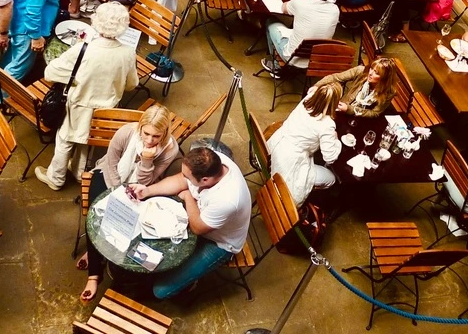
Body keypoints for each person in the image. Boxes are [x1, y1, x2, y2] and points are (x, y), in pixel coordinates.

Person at [76, 105, 180, 302]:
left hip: (140, 185)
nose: (149, 140)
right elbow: (110, 164)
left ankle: (98, 251)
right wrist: (117, 192)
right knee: (95, 214)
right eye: (146, 133)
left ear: (165, 133)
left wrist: (147, 161)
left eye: (156, 136)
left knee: (128, 221)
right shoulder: (126, 132)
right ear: (140, 127)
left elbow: (146, 181)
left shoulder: (170, 149)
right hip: (109, 176)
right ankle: (94, 274)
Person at [35, 2, 140, 191]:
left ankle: (56, 178)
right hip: (106, 110)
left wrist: (75, 79)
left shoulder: (83, 49)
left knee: (65, 140)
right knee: (87, 142)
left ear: (96, 21)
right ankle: (78, 173)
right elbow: (132, 84)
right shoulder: (128, 52)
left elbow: (50, 73)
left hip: (79, 104)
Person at [127, 146, 251, 299]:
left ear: (205, 180)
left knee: (160, 291)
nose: (185, 178)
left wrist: (188, 197)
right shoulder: (212, 161)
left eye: (188, 177)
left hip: (219, 242)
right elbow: (181, 179)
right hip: (203, 216)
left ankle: (188, 285)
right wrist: (147, 191)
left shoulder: (227, 200)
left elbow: (198, 227)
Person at [268, 83, 343, 206]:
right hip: (291, 162)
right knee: (331, 179)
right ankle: (312, 201)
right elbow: (330, 157)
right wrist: (336, 141)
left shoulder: (308, 99)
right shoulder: (327, 124)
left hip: (276, 145)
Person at [261, 0, 339, 77]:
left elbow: (283, 8)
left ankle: (277, 67)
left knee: (270, 22)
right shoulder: (335, 10)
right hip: (316, 59)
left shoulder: (300, 3)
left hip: (291, 57)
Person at [315, 57, 400, 118]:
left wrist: (349, 109)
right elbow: (335, 78)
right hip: (341, 111)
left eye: (376, 73)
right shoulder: (361, 71)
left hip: (362, 119)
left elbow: (375, 113)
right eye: (371, 68)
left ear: (384, 78)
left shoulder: (389, 92)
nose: (370, 73)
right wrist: (316, 86)